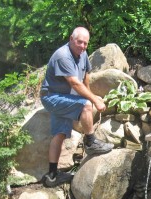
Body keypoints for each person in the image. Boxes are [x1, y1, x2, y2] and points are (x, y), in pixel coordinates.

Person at [40, 27, 114, 187]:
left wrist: (88, 93)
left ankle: (52, 175)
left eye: (85, 43)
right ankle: (91, 142)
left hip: (65, 97)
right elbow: (74, 82)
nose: (82, 46)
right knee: (86, 105)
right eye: (79, 41)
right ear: (71, 39)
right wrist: (94, 100)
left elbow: (86, 77)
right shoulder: (62, 55)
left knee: (59, 134)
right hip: (51, 97)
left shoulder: (83, 54)